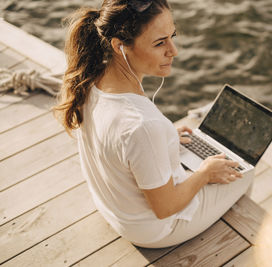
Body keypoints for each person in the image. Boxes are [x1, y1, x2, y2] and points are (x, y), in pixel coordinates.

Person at [54, 0, 254, 248]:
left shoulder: (90, 80)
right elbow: (165, 207)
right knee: (245, 173)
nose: (173, 50)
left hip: (114, 209)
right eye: (160, 43)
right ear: (120, 46)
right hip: (153, 230)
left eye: (172, 36)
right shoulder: (143, 126)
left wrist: (166, 138)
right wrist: (204, 174)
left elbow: (123, 141)